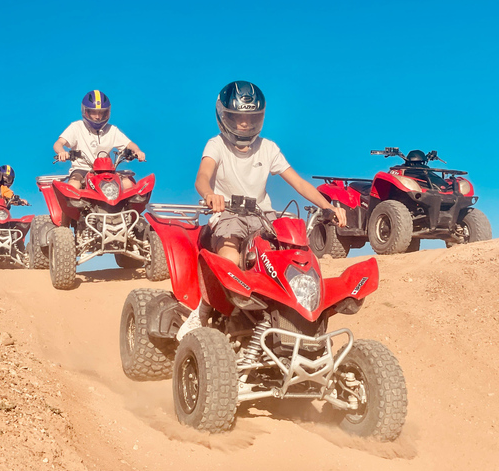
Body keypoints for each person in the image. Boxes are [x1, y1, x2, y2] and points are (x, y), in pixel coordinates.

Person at [178, 81, 347, 339]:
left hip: (263, 217)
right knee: (230, 260)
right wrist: (211, 195)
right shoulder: (216, 144)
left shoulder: (268, 148)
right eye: (238, 118)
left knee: (294, 255)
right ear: (225, 117)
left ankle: (293, 318)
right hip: (229, 215)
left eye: (251, 118)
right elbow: (203, 176)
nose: (244, 124)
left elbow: (299, 182)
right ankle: (204, 310)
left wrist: (328, 206)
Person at [53, 90, 146, 190]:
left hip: (106, 171)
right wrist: (62, 152)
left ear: (107, 113)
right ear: (86, 112)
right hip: (82, 170)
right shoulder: (76, 127)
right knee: (73, 186)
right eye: (93, 112)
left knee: (128, 184)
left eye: (101, 113)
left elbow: (129, 144)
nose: (97, 117)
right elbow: (58, 143)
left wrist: (137, 151)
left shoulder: (112, 130)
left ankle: (127, 206)